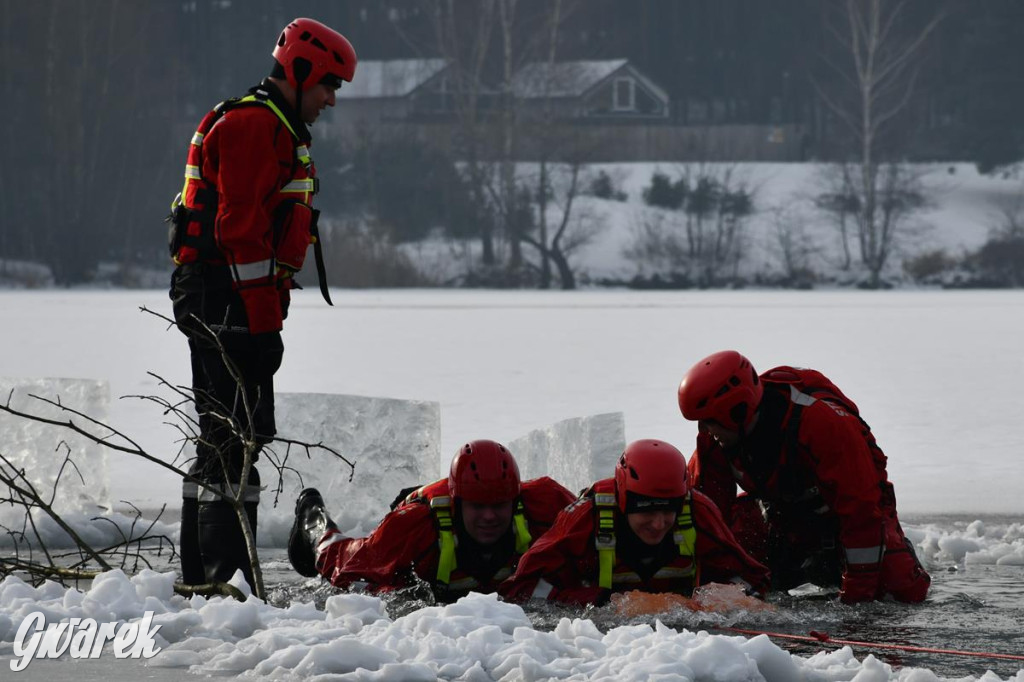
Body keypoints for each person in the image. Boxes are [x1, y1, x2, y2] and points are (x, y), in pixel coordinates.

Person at [168, 18, 356, 589]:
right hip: (223, 295)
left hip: (231, 294)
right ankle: (220, 575)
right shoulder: (255, 126)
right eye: (327, 85)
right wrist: (262, 326)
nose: (329, 100)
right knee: (231, 435)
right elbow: (241, 234)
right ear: (298, 72)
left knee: (233, 434)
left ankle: (217, 570)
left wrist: (265, 316)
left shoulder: (276, 125)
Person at [677, 350, 931, 604]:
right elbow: (706, 515)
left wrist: (855, 603)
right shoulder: (714, 440)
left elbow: (862, 513)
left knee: (900, 591)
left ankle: (890, 556)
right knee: (728, 562)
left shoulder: (821, 424)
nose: (706, 430)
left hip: (847, 518)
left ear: (737, 410)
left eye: (710, 421)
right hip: (781, 518)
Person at [287, 440, 576, 602]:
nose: (489, 517)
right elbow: (349, 575)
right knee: (336, 555)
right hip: (416, 510)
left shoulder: (547, 503)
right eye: (477, 506)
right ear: (458, 503)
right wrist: (404, 595)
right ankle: (311, 513)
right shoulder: (416, 524)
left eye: (499, 505)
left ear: (515, 500)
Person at [499, 439, 769, 605]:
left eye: (668, 510)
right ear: (625, 499)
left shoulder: (698, 511)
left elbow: (753, 580)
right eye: (647, 511)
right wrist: (602, 602)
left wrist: (719, 599)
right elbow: (519, 589)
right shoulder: (585, 518)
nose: (659, 523)